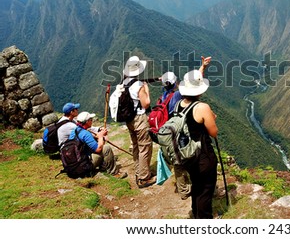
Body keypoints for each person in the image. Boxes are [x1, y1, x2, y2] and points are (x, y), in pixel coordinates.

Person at [158, 56, 212, 200]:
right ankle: (190, 189)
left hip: (169, 131)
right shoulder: (177, 95)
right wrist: (202, 69)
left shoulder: (164, 95)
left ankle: (183, 189)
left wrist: (203, 67)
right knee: (185, 159)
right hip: (180, 132)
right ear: (175, 83)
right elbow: (193, 87)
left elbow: (191, 84)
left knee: (178, 162)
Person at [178, 69, 218, 219]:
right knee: (206, 190)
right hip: (203, 155)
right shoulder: (202, 107)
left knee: (197, 185)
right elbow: (213, 132)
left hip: (188, 155)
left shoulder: (179, 105)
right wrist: (213, 118)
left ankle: (196, 213)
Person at [123, 55, 154, 188]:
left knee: (136, 146)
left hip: (129, 119)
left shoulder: (123, 83)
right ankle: (144, 178)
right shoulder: (139, 85)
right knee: (145, 147)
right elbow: (146, 104)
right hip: (140, 118)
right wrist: (146, 90)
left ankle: (139, 171)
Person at [67, 111, 127, 178]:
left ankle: (103, 167)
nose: (92, 121)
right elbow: (98, 149)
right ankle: (114, 173)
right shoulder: (86, 134)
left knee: (99, 145)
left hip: (75, 163)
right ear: (87, 122)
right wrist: (101, 136)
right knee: (106, 149)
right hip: (84, 165)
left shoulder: (75, 130)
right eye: (91, 120)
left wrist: (98, 137)